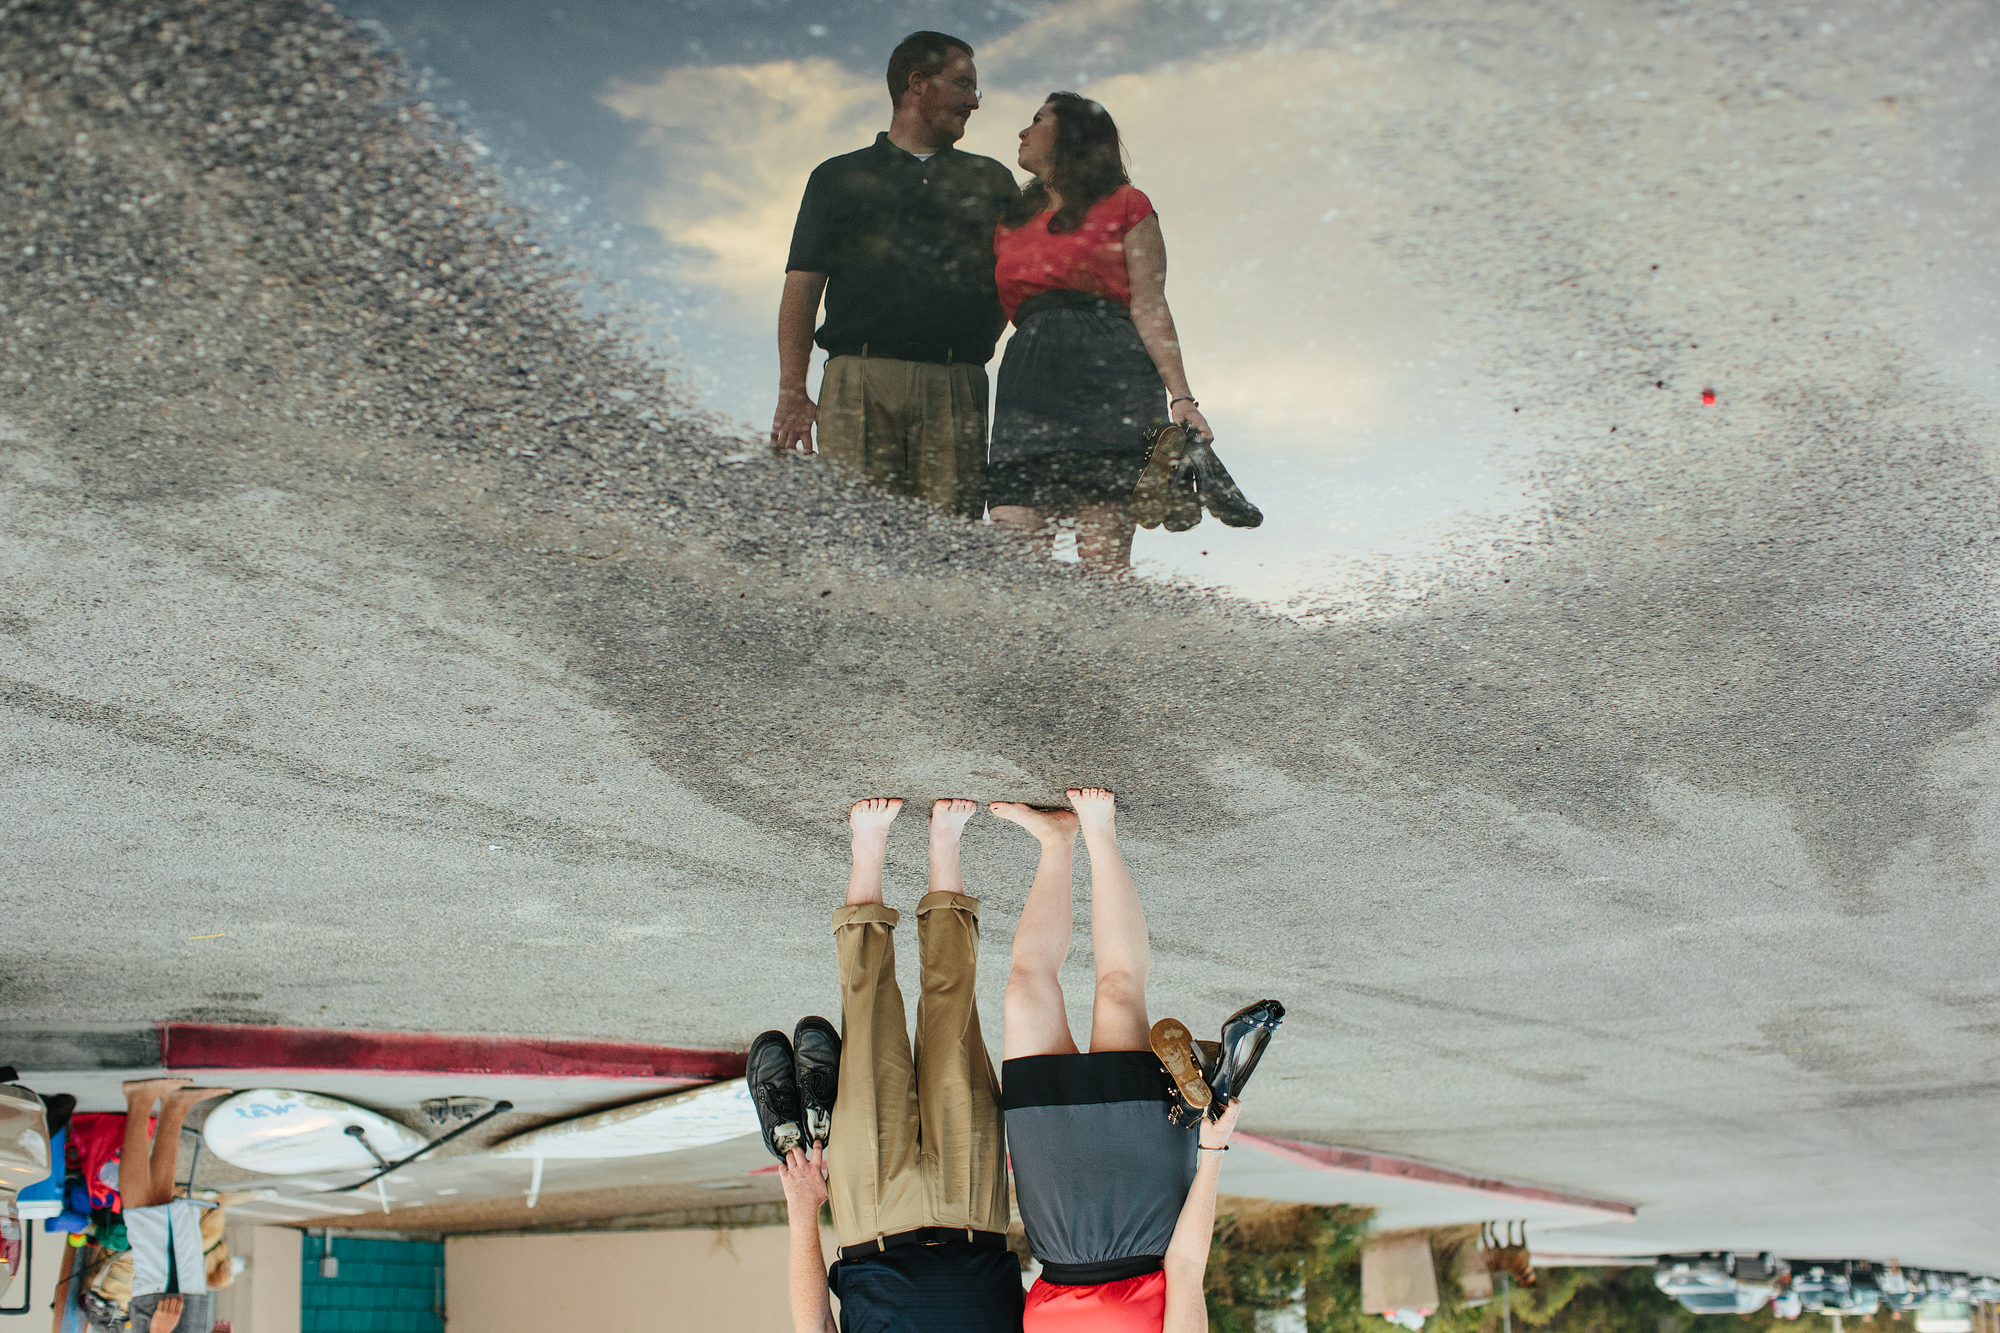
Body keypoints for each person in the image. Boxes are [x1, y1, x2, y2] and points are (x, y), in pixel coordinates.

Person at [991, 789, 1281, 1332]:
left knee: (1024, 992)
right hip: (1140, 1208)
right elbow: (1188, 1266)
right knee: (1119, 993)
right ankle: (1100, 833)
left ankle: (1056, 842)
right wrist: (1213, 1150)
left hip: (1054, 1224)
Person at [771, 798, 1024, 1333]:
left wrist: (802, 1212)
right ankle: (945, 847)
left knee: (866, 1020)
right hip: (973, 1212)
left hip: (873, 1220)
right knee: (955, 1014)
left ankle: (868, 850)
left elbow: (814, 1324)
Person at [988, 95, 1256, 573]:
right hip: (1027, 381)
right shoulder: (1010, 219)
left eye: (1037, 120)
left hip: (1111, 378)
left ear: (1073, 135)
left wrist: (1182, 398)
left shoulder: (1128, 204)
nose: (1022, 133)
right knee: (1013, 552)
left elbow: (1150, 305)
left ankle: (1105, 648)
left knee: (1102, 561)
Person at [772, 33, 1020, 520]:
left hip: (958, 384)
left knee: (951, 554)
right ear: (917, 82)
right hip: (857, 382)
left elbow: (1018, 282)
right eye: (963, 84)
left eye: (976, 90)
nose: (974, 101)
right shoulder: (838, 176)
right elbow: (802, 287)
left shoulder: (991, 180)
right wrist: (792, 392)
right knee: (857, 550)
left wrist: (962, 348)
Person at [117, 1080, 229, 1333]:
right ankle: (174, 1107)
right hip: (190, 1305)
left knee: (143, 1215)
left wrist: (158, 1331)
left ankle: (139, 1100)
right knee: (165, 1206)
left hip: (163, 1314)